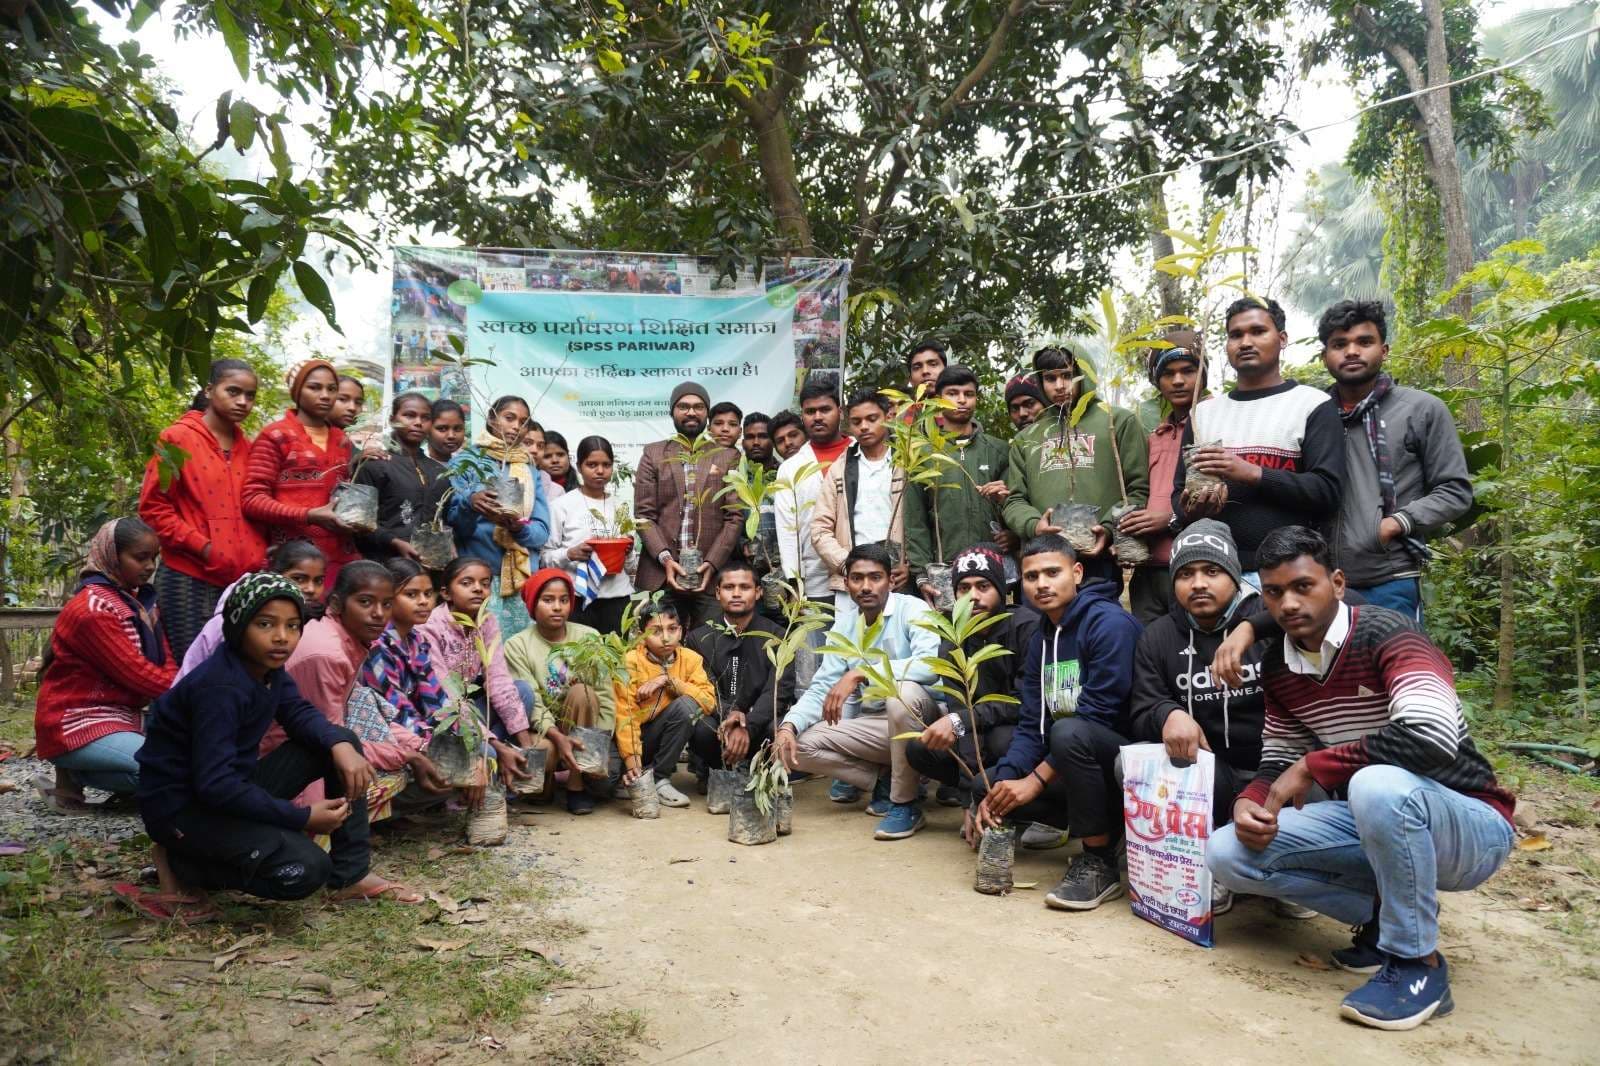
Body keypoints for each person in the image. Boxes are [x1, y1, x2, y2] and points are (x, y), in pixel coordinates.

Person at [1205, 527, 1514, 1031]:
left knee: (1376, 783)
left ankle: (1418, 964)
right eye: (1276, 592)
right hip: (1379, 820)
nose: (1289, 603)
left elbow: (1431, 735)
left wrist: (1313, 766)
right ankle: (1386, 917)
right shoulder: (1279, 667)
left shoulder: (1389, 633)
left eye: (1304, 586)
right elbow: (1279, 755)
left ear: (1339, 583)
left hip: (1469, 823)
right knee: (1227, 853)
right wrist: (1251, 802)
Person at [135, 572, 422, 913]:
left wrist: (340, 746)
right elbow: (215, 783)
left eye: (292, 626)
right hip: (185, 810)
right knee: (305, 870)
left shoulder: (266, 671)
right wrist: (300, 818)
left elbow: (299, 712)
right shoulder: (220, 689)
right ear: (239, 627)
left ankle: (351, 874)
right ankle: (183, 863)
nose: (281, 638)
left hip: (223, 793)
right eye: (266, 625)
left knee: (340, 739)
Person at [973, 533, 1142, 910]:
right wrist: (1000, 788)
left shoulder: (1109, 624)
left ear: (1077, 572)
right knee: (986, 786)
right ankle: (1106, 830)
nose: (1042, 584)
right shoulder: (1042, 638)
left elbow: (1100, 713)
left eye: (1053, 572)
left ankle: (1099, 860)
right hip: (1076, 758)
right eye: (1032, 577)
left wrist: (1034, 780)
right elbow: (1033, 721)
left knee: (1068, 732)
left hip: (1126, 762)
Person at [1126, 519, 1274, 918]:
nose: (1198, 584)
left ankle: (1285, 875)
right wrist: (1167, 713)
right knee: (1136, 756)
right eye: (1186, 574)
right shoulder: (1157, 636)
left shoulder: (1270, 619)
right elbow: (1140, 707)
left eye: (1212, 571)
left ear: (1234, 574)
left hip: (1276, 767)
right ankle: (1209, 867)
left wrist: (1248, 631)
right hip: (1210, 772)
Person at [1172, 297, 1346, 584]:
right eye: (1235, 335)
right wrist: (1193, 508)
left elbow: (1328, 491)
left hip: (1289, 574)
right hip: (1216, 573)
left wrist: (1252, 474)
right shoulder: (1203, 412)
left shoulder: (1312, 404)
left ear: (1282, 339)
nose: (1245, 342)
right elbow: (1178, 493)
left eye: (1258, 331)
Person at [773, 544, 940, 839]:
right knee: (800, 745)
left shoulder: (913, 609)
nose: (866, 586)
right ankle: (882, 781)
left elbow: (930, 666)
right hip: (877, 726)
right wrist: (788, 724)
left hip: (926, 723)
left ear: (890, 580)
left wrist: (862, 672)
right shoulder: (846, 624)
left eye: (875, 577)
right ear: (846, 582)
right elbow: (823, 686)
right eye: (857, 578)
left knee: (900, 695)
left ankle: (905, 804)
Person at [1319, 300, 1471, 620]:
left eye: (1364, 342)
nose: (1351, 351)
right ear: (1325, 357)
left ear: (1384, 350)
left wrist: (1394, 524)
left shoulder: (1421, 410)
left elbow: (1455, 490)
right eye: (1339, 344)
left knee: (1394, 668)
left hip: (1390, 579)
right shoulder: (1314, 415)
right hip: (1321, 581)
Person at [33, 518, 176, 812]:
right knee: (170, 770)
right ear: (112, 555)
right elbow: (143, 678)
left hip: (120, 718)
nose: (150, 566)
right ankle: (72, 766)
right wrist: (190, 690)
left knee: (180, 764)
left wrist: (175, 683)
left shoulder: (136, 603)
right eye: (140, 558)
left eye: (153, 558)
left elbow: (165, 660)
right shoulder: (93, 610)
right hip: (77, 722)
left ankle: (74, 775)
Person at [138, 358, 268, 660]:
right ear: (209, 390)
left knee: (236, 671)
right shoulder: (177, 438)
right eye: (233, 391)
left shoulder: (248, 448)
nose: (243, 402)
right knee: (192, 672)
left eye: (250, 396)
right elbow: (154, 508)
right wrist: (205, 548)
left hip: (241, 580)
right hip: (189, 575)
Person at [1003, 346, 1149, 589]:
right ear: (1040, 381)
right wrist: (1034, 525)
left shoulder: (1118, 422)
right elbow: (1014, 499)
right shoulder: (1028, 437)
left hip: (1097, 561)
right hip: (1043, 560)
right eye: (1050, 378)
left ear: (1085, 375)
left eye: (1068, 375)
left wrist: (1108, 529)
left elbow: (1138, 489)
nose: (1059, 385)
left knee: (1097, 623)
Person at [904, 545, 1038, 810]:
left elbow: (1024, 702)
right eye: (964, 588)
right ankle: (979, 797)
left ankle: (1028, 811)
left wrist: (961, 720)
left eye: (983, 586)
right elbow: (959, 715)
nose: (973, 597)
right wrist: (970, 798)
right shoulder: (954, 639)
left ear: (1001, 590)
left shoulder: (1026, 626)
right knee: (920, 748)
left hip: (1022, 732)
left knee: (1002, 739)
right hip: (978, 730)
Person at [503, 569, 618, 815]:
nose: (557, 607)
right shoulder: (517, 645)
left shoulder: (588, 637)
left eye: (563, 600)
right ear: (533, 604)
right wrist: (557, 736)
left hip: (582, 730)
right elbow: (531, 702)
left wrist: (602, 743)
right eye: (548, 600)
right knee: (547, 758)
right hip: (543, 732)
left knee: (581, 691)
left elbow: (605, 695)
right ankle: (547, 780)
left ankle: (576, 784)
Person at [633, 382, 742, 630]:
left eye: (698, 407)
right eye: (683, 406)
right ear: (672, 412)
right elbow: (643, 515)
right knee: (659, 644)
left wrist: (711, 563)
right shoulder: (654, 453)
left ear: (707, 413)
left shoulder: (727, 457)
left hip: (710, 576)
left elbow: (734, 517)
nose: (691, 412)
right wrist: (665, 558)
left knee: (712, 647)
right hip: (662, 574)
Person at [242, 359, 358, 588]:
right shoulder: (275, 436)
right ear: (297, 392)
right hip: (292, 562)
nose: (325, 395)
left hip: (339, 560)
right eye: (315, 387)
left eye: (332, 389)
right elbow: (252, 499)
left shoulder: (342, 440)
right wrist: (309, 514)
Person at [1117, 330, 1207, 623]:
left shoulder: (1217, 423)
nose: (1178, 381)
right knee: (1152, 653)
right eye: (1168, 373)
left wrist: (1169, 519)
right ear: (1157, 380)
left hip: (1198, 563)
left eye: (1188, 371)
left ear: (1204, 372)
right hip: (1149, 567)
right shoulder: (1155, 436)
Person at [445, 395, 552, 638]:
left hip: (523, 579)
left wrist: (518, 528)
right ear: (492, 419)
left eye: (523, 422)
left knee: (518, 654)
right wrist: (471, 503)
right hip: (478, 580)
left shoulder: (528, 467)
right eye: (509, 418)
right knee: (479, 653)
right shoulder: (468, 461)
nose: (516, 427)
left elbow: (542, 533)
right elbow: (454, 525)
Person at [905, 365, 1015, 600]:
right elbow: (916, 522)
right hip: (944, 570)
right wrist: (921, 573)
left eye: (969, 394)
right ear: (938, 399)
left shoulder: (999, 450)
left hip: (993, 567)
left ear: (977, 398)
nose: (961, 400)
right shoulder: (923, 453)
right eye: (952, 394)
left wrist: (1011, 534)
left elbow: (1017, 502)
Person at [684, 561, 793, 786]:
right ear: (717, 593)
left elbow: (778, 689)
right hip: (719, 725)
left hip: (758, 724)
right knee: (699, 723)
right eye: (728, 587)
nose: (736, 594)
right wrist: (730, 716)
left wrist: (747, 724)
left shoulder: (778, 635)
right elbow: (705, 687)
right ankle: (714, 769)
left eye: (744, 587)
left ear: (758, 592)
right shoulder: (699, 637)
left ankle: (761, 771)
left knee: (777, 727)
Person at [418, 557, 540, 750]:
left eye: (485, 584)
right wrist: (491, 742)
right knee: (488, 753)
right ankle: (497, 751)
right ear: (446, 593)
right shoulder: (431, 628)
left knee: (522, 690)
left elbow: (498, 680)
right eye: (466, 583)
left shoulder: (487, 621)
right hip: (444, 713)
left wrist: (528, 747)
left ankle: (503, 752)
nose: (478, 589)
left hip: (472, 707)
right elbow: (447, 695)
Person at [611, 601, 711, 808]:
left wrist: (670, 681)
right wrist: (632, 762)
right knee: (603, 786)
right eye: (656, 631)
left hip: (663, 738)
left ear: (681, 631)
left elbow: (708, 701)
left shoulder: (691, 659)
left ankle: (659, 779)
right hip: (632, 741)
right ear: (641, 634)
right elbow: (625, 715)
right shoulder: (630, 661)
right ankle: (634, 775)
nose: (665, 637)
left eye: (672, 629)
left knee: (687, 706)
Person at [812, 389, 910, 594]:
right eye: (856, 422)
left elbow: (925, 519)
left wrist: (911, 564)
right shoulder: (840, 467)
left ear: (888, 416)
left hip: (898, 577)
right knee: (851, 628)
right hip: (853, 584)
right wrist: (848, 565)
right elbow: (820, 529)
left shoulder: (908, 460)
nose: (864, 427)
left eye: (872, 419)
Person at [539, 435, 636, 635]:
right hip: (576, 597)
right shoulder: (561, 506)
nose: (600, 471)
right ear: (579, 466)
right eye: (592, 464)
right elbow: (544, 557)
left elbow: (632, 566)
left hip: (617, 598)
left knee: (616, 658)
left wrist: (627, 552)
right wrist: (569, 553)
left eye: (606, 465)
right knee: (578, 661)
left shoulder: (621, 508)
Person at [353, 392, 451, 566]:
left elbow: (444, 520)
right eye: (409, 415)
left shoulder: (438, 472)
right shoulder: (376, 464)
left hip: (429, 565)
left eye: (425, 418)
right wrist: (393, 542)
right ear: (392, 420)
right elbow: (358, 523)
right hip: (384, 563)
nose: (418, 423)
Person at [427, 398, 467, 464]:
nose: (451, 436)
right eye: (442, 429)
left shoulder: (466, 465)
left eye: (457, 429)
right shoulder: (416, 466)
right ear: (427, 431)